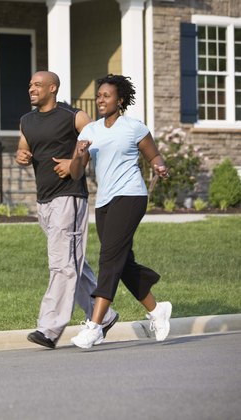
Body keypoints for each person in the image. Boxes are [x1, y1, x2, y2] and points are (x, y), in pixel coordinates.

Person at [16, 71, 119, 349]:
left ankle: (50, 328)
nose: (31, 89)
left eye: (37, 85)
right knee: (73, 262)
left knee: (62, 264)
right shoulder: (27, 121)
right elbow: (23, 148)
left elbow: (96, 141)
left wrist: (75, 161)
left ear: (53, 88)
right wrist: (21, 156)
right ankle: (105, 315)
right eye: (30, 85)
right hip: (45, 201)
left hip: (69, 197)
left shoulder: (73, 116)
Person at [69, 74, 172, 349]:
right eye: (99, 95)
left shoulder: (134, 128)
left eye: (106, 95)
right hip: (104, 202)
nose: (101, 100)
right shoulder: (90, 131)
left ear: (120, 99)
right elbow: (75, 172)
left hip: (131, 196)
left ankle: (96, 326)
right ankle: (156, 309)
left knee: (109, 259)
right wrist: (79, 155)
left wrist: (160, 167)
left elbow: (154, 155)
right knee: (121, 262)